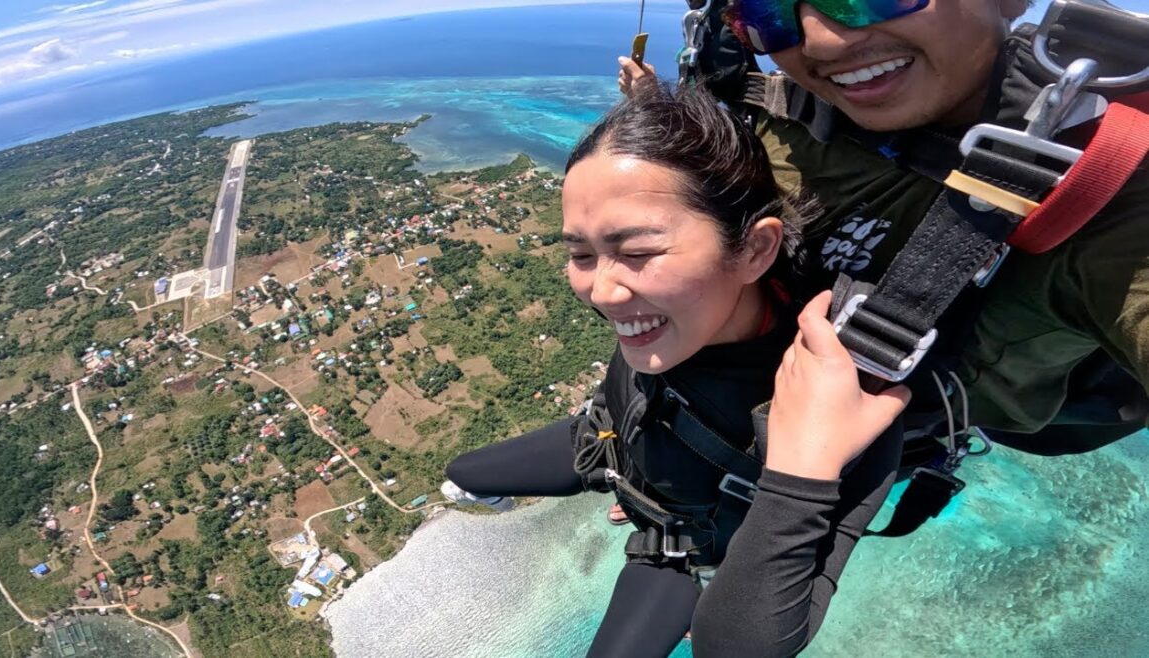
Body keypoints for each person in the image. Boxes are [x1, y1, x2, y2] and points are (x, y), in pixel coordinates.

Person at [444, 84, 909, 657]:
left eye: (637, 251)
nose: (602, 292)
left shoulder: (841, 394)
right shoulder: (673, 312)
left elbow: (734, 649)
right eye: (581, 254)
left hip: (672, 542)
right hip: (611, 444)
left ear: (756, 251)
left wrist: (803, 473)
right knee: (461, 471)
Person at [618, 0, 1149, 478]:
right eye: (768, 11)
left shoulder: (1112, 203)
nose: (821, 41)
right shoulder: (785, 105)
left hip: (811, 458)